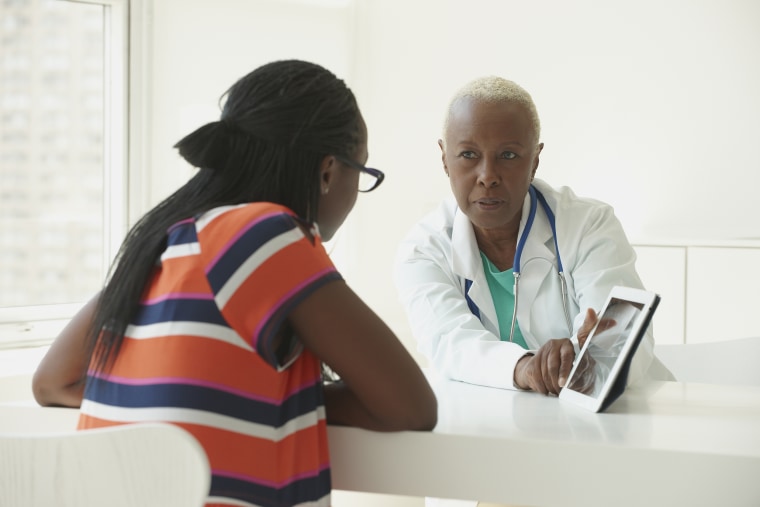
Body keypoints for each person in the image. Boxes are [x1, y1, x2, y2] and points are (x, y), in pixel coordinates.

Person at [32, 59, 437, 507]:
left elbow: (54, 382)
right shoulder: (267, 233)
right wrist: (285, 401)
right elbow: (411, 406)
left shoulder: (164, 236)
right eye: (361, 172)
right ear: (327, 171)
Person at [394, 75, 671, 507]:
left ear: (535, 160)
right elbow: (449, 342)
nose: (487, 176)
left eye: (508, 155)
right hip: (484, 448)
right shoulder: (424, 248)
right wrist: (525, 367)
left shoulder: (588, 225)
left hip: (598, 441)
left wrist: (586, 357)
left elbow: (621, 337)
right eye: (468, 155)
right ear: (445, 158)